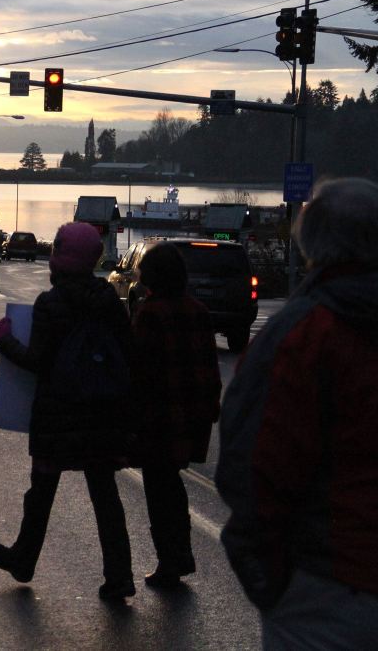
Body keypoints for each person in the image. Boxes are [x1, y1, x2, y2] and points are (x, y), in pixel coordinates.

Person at [216, 178, 378, 648]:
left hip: (336, 589)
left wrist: (268, 579)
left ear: (313, 245)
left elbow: (250, 463)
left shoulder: (304, 334)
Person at [0, 222, 136, 600]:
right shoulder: (109, 301)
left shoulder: (51, 304)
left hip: (58, 414)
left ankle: (24, 558)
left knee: (41, 492)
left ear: (58, 256)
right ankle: (120, 575)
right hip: (103, 414)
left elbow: (38, 361)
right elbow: (128, 355)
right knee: (105, 495)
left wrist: (5, 342)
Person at [130, 243, 221, 588]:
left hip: (160, 415)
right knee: (172, 483)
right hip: (192, 414)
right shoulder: (198, 310)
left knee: (159, 488)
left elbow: (140, 369)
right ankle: (179, 554)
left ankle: (172, 558)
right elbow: (210, 366)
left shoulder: (152, 313)